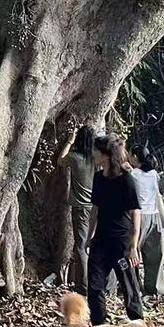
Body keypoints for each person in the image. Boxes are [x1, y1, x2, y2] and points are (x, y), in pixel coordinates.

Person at [87, 134, 144, 326]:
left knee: (129, 286)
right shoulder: (97, 178)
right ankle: (99, 326)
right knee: (95, 286)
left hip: (122, 242)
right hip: (101, 241)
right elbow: (95, 208)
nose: (92, 154)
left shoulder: (126, 180)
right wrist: (90, 235)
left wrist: (133, 244)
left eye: (96, 151)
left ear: (106, 155)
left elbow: (135, 211)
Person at [58, 125, 97, 293]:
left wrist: (69, 140)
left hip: (81, 208)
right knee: (94, 244)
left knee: (81, 247)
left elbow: (61, 160)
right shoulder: (97, 158)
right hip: (97, 206)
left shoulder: (75, 158)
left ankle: (84, 286)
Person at [129, 143, 164, 298]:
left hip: (138, 216)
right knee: (154, 254)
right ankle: (156, 287)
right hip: (154, 215)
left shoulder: (133, 175)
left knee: (132, 252)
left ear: (134, 157)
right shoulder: (153, 173)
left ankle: (134, 286)